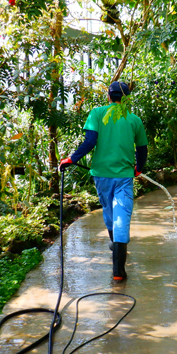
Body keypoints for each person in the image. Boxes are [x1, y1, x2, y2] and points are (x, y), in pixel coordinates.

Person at [59, 81, 148, 283]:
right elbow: (142, 150)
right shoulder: (134, 120)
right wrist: (139, 168)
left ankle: (114, 245)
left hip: (101, 176)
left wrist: (72, 159)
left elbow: (90, 141)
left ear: (109, 96)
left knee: (109, 214)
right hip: (124, 176)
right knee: (121, 217)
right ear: (126, 98)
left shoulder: (97, 114)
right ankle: (118, 271)